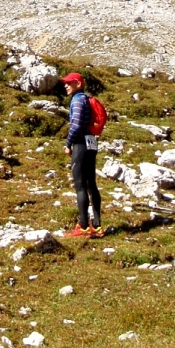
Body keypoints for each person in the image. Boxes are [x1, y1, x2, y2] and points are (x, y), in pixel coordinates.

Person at [61, 72, 103, 237]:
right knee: (91, 184)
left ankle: (84, 226)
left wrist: (68, 143)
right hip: (91, 141)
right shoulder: (86, 98)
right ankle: (97, 226)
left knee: (80, 186)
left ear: (78, 84)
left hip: (80, 143)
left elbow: (76, 124)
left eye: (69, 83)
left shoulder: (77, 100)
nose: (66, 85)